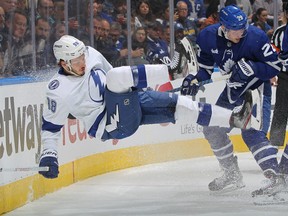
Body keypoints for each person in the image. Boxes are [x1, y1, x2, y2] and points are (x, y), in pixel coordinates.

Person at [38, 34, 255, 179]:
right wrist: (49, 155)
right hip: (110, 124)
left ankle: (234, 118)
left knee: (181, 105)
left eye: (82, 56)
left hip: (126, 103)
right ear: (63, 63)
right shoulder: (58, 89)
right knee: (116, 76)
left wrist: (133, 91)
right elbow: (50, 128)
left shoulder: (90, 54)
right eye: (75, 61)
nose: (82, 62)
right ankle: (174, 71)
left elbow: (111, 72)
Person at [180, 5, 284, 195]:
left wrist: (253, 68)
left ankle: (275, 177)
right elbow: (205, 70)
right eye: (237, 30)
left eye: (244, 27)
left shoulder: (256, 37)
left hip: (255, 89)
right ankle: (232, 174)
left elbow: (274, 67)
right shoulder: (206, 37)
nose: (242, 32)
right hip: (232, 91)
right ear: (224, 28)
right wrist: (194, 79)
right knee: (212, 129)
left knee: (250, 130)